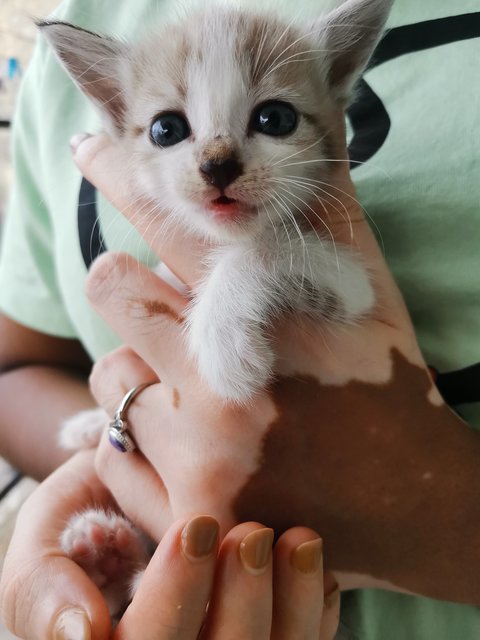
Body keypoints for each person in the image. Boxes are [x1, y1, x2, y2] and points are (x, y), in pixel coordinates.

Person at [0, 0, 479, 638]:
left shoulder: (312, 237)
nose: (218, 160)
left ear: (336, 82)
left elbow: (347, 294)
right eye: (171, 129)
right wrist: (113, 459)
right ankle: (144, 567)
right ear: (116, 113)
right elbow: (17, 369)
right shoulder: (82, 28)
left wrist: (433, 511)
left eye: (272, 119)